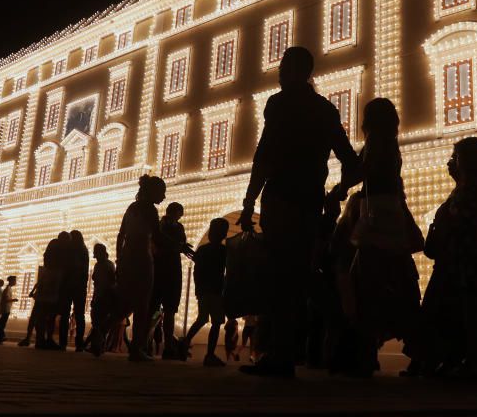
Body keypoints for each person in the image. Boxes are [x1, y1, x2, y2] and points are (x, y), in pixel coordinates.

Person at [237, 46, 361, 378]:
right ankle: (342, 331)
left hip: (280, 199)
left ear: (291, 70)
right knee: (302, 275)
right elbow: (352, 164)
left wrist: (249, 202)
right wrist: (336, 193)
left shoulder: (279, 104)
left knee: (281, 276)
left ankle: (281, 356)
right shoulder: (325, 110)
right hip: (309, 201)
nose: (278, 72)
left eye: (282, 66)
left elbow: (264, 155)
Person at [412, 137, 477, 379]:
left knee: (472, 310)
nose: (451, 162)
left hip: (468, 258)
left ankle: (474, 360)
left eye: (456, 157)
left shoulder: (475, 190)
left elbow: (467, 219)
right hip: (470, 257)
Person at [344, 98, 421, 377]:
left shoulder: (376, 141)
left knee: (365, 282)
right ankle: (418, 348)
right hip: (391, 212)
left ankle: (365, 352)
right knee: (398, 279)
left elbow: (362, 171)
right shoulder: (392, 143)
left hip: (376, 215)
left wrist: (340, 187)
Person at [97, 175, 164, 361]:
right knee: (142, 304)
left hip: (127, 257)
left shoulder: (132, 208)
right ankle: (136, 349)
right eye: (162, 192)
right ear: (153, 192)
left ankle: (100, 332)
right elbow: (157, 236)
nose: (163, 197)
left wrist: (119, 258)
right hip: (142, 258)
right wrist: (176, 245)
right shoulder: (150, 210)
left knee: (125, 304)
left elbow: (120, 235)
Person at [182, 218, 230, 367]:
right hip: (216, 290)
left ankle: (184, 343)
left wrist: (198, 289)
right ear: (223, 234)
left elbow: (197, 269)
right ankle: (209, 355)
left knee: (202, 318)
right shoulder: (224, 251)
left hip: (204, 290)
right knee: (216, 322)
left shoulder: (203, 250)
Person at [152, 202, 191, 359]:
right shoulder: (160, 225)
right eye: (178, 213)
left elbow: (181, 243)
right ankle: (147, 342)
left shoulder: (178, 227)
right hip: (162, 268)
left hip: (173, 269)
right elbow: (162, 242)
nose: (179, 216)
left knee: (169, 310)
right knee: (155, 309)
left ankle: (168, 346)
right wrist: (178, 246)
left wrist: (180, 247)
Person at [59, 230, 89, 352]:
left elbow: (65, 270)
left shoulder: (70, 252)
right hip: (80, 288)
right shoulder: (84, 251)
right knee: (80, 316)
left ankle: (62, 343)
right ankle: (79, 344)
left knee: (65, 315)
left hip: (68, 287)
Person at [86, 243, 115, 353]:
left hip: (105, 297)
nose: (95, 256)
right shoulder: (99, 265)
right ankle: (97, 345)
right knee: (97, 322)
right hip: (99, 296)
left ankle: (98, 345)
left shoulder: (108, 265)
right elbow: (96, 283)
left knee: (99, 322)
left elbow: (112, 282)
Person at [0, 275, 17, 344]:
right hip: (5, 309)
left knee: (2, 324)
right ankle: (0, 338)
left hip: (6, 308)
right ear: (11, 281)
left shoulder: (9, 288)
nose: (15, 282)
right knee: (2, 324)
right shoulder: (8, 289)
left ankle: (1, 337)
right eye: (14, 280)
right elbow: (6, 299)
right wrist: (14, 300)